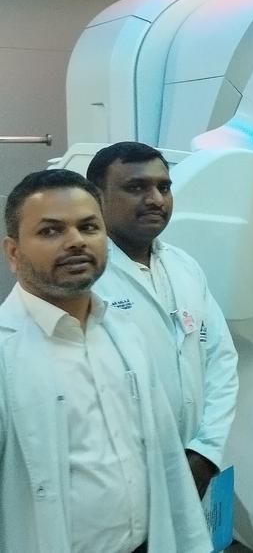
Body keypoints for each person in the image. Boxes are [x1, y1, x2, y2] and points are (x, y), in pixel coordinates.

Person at [0, 169, 211, 552]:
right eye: (51, 231)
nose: (76, 241)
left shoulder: (123, 332)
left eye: (88, 227)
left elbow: (166, 459)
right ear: (13, 253)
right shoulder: (5, 352)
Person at [87, 141, 239, 498]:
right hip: (121, 482)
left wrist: (206, 452)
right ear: (97, 197)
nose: (156, 199)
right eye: (136, 187)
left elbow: (221, 359)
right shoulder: (85, 277)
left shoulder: (185, 266)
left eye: (163, 187)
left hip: (195, 468)